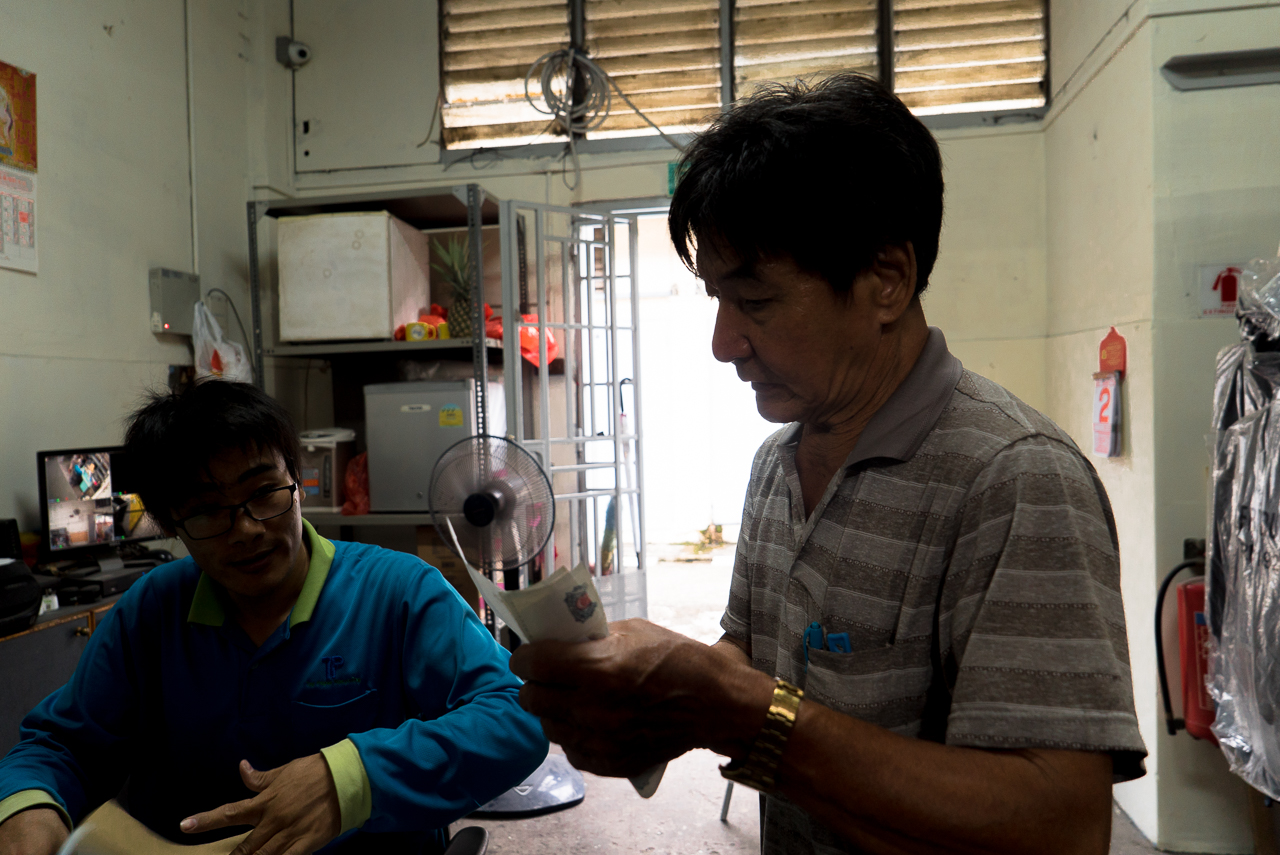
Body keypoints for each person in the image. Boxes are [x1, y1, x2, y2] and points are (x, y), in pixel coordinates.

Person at [510, 73, 1147, 854]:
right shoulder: (777, 463)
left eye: (757, 301)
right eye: (716, 298)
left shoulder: (1016, 480)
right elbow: (752, 654)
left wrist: (742, 708)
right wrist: (659, 699)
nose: (724, 343)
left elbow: (1060, 825)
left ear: (886, 280)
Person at [0, 380, 548, 855]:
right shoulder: (152, 610)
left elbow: (516, 717)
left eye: (264, 493)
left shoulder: (398, 592)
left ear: (297, 479)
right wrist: (29, 809)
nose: (247, 529)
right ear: (170, 522)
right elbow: (61, 744)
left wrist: (351, 779)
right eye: (210, 510)